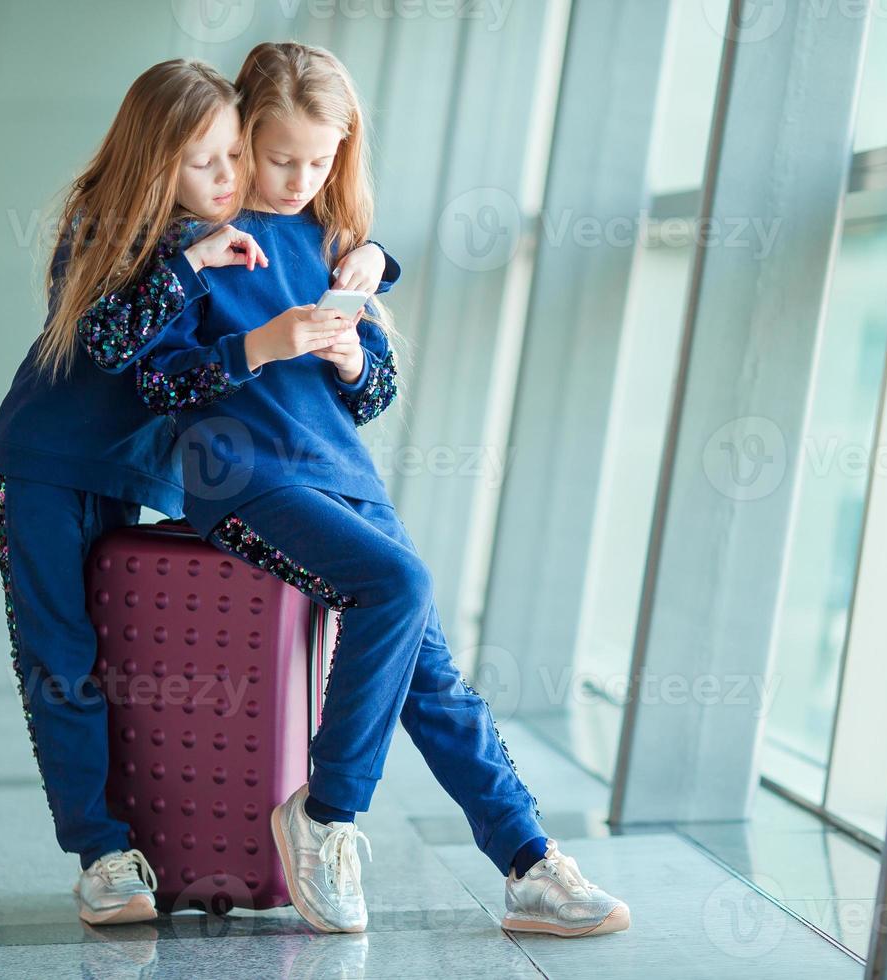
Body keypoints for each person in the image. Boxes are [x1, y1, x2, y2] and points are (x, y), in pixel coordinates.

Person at [133, 41, 630, 938]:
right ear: (240, 133)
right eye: (281, 158)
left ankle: (527, 864)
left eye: (319, 161)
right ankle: (325, 818)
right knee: (398, 586)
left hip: (341, 476)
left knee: (436, 679)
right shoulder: (196, 243)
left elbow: (373, 393)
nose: (297, 178)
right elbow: (155, 384)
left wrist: (353, 352)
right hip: (241, 482)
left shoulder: (335, 243)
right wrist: (264, 344)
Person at [0, 57, 400, 926]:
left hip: (132, 476)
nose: (230, 180)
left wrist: (372, 256)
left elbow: (187, 380)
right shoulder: (107, 227)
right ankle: (100, 855)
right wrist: (196, 265)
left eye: (232, 158)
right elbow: (111, 348)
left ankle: (138, 845)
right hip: (46, 466)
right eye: (207, 163)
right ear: (156, 163)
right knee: (59, 660)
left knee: (108, 658)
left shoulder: (216, 240)